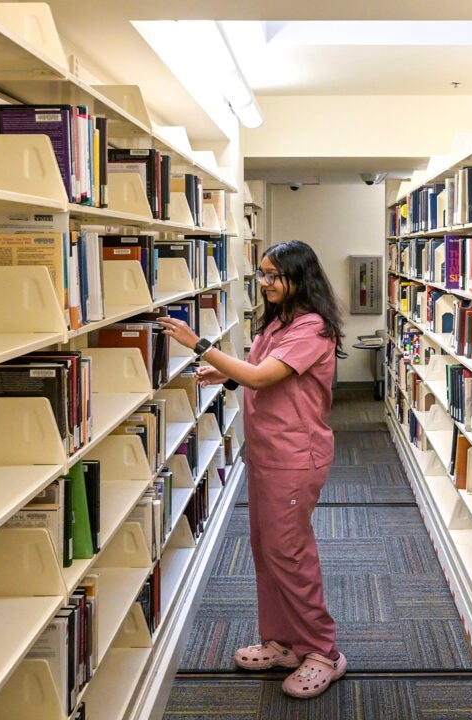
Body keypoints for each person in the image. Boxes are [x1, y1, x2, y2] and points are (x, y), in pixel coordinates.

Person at [157, 239, 347, 699]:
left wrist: (198, 345)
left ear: (299, 277)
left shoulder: (313, 327)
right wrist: (227, 373)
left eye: (272, 276)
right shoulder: (279, 321)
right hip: (265, 453)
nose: (263, 283)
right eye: (261, 274)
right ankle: (284, 641)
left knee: (290, 552)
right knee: (266, 550)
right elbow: (260, 366)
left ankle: (324, 650)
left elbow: (263, 377)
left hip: (295, 456)